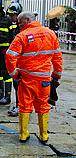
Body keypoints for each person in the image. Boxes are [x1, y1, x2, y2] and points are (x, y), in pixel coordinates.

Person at [5, 12, 63, 143]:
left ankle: (23, 134)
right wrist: (57, 76)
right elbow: (57, 57)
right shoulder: (50, 33)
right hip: (44, 80)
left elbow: (10, 56)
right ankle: (44, 135)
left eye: (20, 22)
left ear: (27, 20)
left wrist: (14, 73)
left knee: (25, 105)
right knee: (43, 105)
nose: (18, 25)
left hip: (26, 79)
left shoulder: (21, 36)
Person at [6, 1, 23, 117]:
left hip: (23, 63)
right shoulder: (15, 27)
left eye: (13, 15)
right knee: (16, 84)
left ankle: (20, 106)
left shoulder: (22, 29)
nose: (11, 17)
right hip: (17, 61)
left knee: (20, 85)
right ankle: (19, 105)